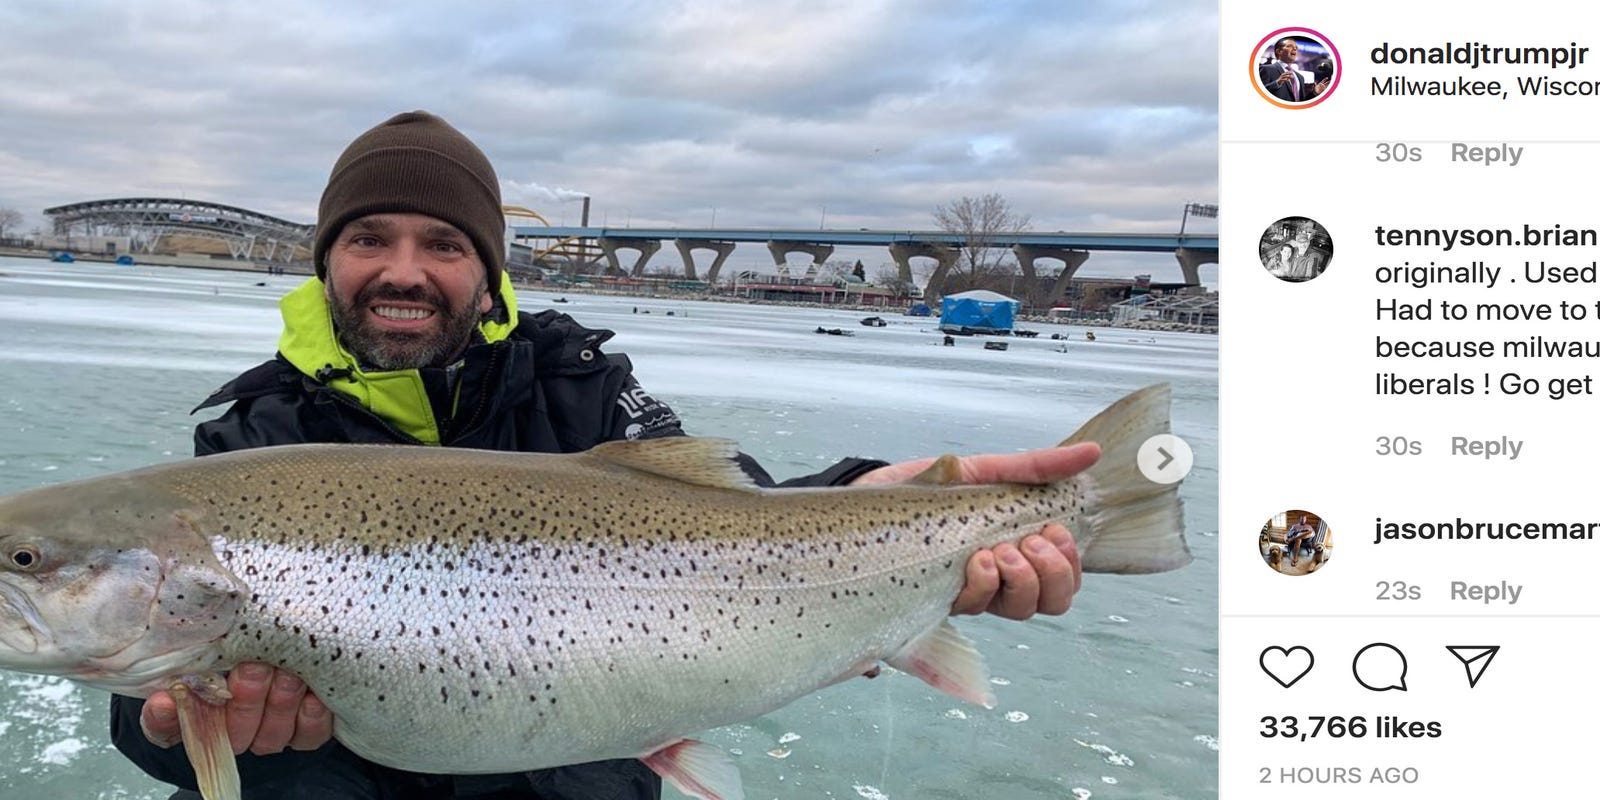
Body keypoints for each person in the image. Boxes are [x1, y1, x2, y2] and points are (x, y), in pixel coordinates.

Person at [109, 111, 1088, 800]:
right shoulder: (251, 436)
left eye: (443, 244)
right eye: (369, 237)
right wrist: (166, 728)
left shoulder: (575, 381)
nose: (403, 270)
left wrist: (864, 495)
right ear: (327, 260)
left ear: (486, 271)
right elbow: (146, 704)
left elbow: (733, 518)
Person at [1259, 38, 1330, 102]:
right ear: (1279, 51)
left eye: (1296, 47)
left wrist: (1314, 93)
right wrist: (1277, 83)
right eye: (1289, 46)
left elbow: (1301, 102)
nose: (1295, 49)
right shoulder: (1266, 69)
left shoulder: (1300, 77)